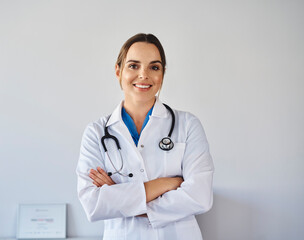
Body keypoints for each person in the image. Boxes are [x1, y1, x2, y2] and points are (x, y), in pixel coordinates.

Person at [77, 33, 214, 240]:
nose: (144, 75)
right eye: (133, 65)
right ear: (118, 70)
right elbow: (93, 204)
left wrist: (119, 196)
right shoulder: (96, 133)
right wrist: (164, 184)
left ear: (162, 74)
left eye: (154, 67)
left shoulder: (188, 125)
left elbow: (200, 197)